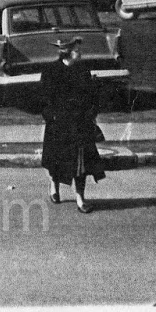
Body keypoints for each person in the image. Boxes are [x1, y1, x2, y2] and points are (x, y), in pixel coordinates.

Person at [39, 35, 106, 212]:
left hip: (80, 124)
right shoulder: (51, 71)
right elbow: (44, 99)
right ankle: (54, 187)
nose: (81, 54)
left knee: (81, 164)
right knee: (56, 159)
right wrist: (50, 117)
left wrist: (92, 113)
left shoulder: (83, 70)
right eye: (77, 51)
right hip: (58, 124)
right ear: (67, 53)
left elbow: (92, 96)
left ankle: (80, 198)